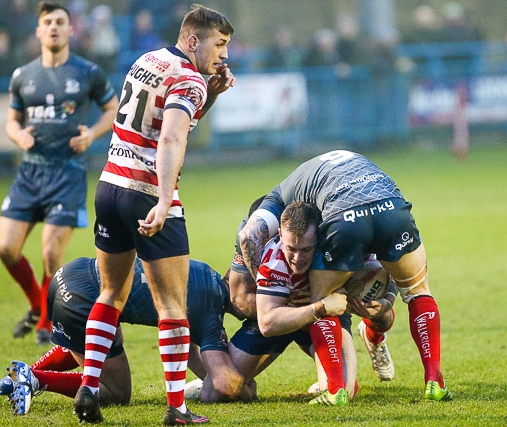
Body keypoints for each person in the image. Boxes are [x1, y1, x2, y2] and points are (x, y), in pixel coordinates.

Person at [75, 4, 236, 425]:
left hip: (110, 188)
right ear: (194, 39)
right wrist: (164, 200)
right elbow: (170, 138)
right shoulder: (187, 79)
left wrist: (213, 91)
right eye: (219, 45)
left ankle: (88, 387)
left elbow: (164, 119)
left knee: (111, 292)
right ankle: (176, 408)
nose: (223, 55)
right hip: (147, 193)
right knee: (172, 306)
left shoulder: (148, 60)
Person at [238, 149, 452, 402]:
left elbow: (249, 235)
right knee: (418, 292)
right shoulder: (339, 164)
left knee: (323, 302)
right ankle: (434, 382)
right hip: (392, 208)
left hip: (346, 218)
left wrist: (267, 288)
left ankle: (335, 391)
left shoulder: (279, 196)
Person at [0, 2, 118, 345]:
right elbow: (11, 120)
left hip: (68, 173)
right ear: (38, 30)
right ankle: (38, 304)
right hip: (30, 173)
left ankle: (46, 322)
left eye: (60, 22)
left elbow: (112, 107)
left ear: (69, 29)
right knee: (5, 248)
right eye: (47, 22)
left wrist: (91, 135)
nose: (53, 27)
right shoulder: (23, 75)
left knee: (51, 253)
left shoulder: (88, 72)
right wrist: (17, 135)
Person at [0, 256, 257, 415]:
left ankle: (22, 376)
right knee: (117, 392)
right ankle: (35, 378)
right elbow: (223, 384)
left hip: (72, 275)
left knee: (91, 343)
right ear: (239, 287)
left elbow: (185, 349)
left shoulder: (205, 273)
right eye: (259, 295)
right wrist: (245, 389)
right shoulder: (212, 309)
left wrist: (208, 376)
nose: (263, 305)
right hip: (84, 300)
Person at [229, 196, 396, 385]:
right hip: (282, 309)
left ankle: (373, 335)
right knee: (222, 386)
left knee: (383, 316)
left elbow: (390, 266)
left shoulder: (337, 240)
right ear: (280, 234)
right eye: (291, 248)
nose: (298, 257)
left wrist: (387, 302)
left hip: (325, 313)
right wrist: (303, 308)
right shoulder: (253, 239)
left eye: (306, 249)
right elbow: (240, 300)